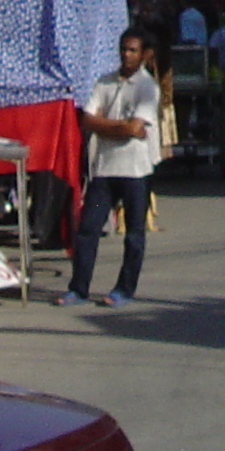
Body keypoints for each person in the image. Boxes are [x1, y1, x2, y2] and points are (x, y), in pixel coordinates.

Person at [60, 30, 163, 306]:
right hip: (104, 170)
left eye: (132, 51)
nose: (126, 55)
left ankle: (124, 289)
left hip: (135, 172)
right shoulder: (104, 82)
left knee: (134, 235)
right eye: (123, 49)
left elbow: (135, 127)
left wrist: (108, 126)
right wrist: (118, 127)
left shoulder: (148, 87)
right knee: (88, 229)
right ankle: (78, 288)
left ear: (142, 55)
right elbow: (87, 120)